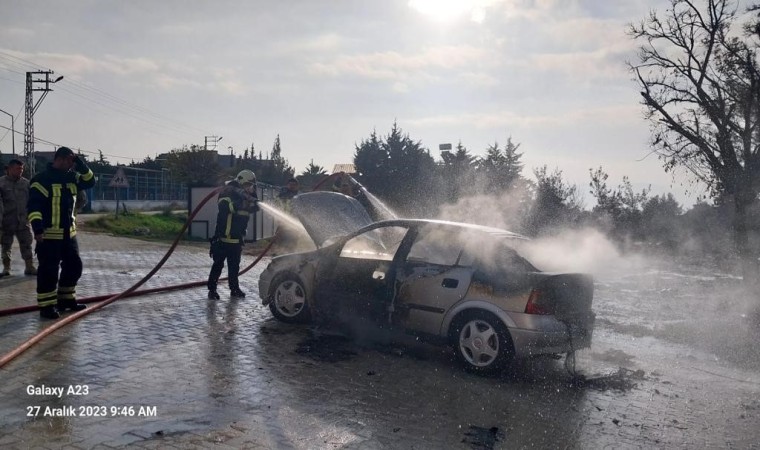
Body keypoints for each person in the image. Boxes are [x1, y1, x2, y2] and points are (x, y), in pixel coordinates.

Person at [27, 147, 96, 319]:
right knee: (48, 272)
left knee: (74, 267)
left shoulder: (72, 177)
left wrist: (80, 163)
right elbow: (34, 207)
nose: (71, 165)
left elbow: (90, 180)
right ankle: (47, 306)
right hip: (49, 236)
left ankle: (66, 300)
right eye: (69, 161)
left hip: (69, 236)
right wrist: (37, 229)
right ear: (60, 159)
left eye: (73, 162)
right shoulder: (42, 180)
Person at [207, 169, 259, 300]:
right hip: (223, 238)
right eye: (248, 185)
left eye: (251, 186)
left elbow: (254, 208)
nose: (250, 188)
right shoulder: (228, 192)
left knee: (234, 267)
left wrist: (252, 200)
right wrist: (244, 201)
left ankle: (234, 289)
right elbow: (226, 206)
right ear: (241, 182)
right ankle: (212, 290)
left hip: (236, 239)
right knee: (217, 265)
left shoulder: (246, 196)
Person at [0, 159, 36, 277]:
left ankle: (29, 266)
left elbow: (32, 201)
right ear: (9, 169)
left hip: (23, 221)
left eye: (21, 169)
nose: (20, 171)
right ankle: (6, 268)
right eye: (17, 169)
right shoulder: (2, 183)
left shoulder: (26, 184)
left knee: (27, 244)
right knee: (6, 245)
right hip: (7, 221)